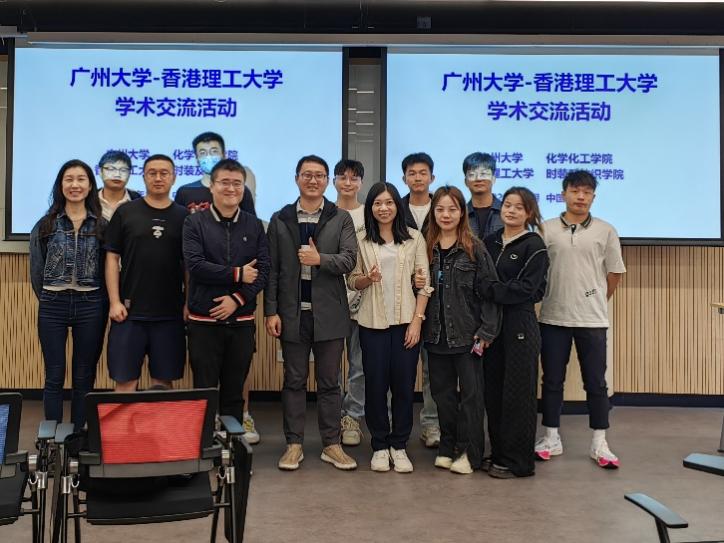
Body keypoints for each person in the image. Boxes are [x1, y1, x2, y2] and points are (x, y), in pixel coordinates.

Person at [265, 155, 358, 471]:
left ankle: (332, 444)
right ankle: (293, 445)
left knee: (330, 382)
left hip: (329, 315)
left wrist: (321, 260)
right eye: (307, 174)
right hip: (292, 315)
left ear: (327, 181)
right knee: (294, 381)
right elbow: (272, 270)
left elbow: (349, 260)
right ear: (297, 179)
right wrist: (271, 311)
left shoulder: (340, 218)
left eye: (319, 175)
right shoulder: (280, 218)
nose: (313, 180)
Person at [174, 131, 261, 444]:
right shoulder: (193, 222)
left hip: (241, 319)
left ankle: (234, 446)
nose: (231, 188)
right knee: (204, 386)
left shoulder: (253, 224)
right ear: (211, 186)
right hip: (203, 318)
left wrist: (237, 298)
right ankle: (204, 445)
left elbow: (261, 270)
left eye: (237, 183)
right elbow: (195, 265)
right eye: (224, 182)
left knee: (235, 388)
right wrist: (237, 274)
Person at [535, 170, 626, 469]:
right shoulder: (545, 229)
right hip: (553, 317)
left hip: (592, 320)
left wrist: (595, 298)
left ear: (593, 197)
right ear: (564, 194)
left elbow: (614, 273)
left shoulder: (606, 230)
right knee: (552, 381)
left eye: (587, 192)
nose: (581, 197)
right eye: (575, 191)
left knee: (597, 383)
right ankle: (551, 437)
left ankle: (600, 441)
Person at [348, 182, 432, 473]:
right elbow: (352, 280)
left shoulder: (414, 238)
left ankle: (399, 445)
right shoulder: (361, 239)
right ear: (370, 208)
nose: (383, 208)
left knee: (404, 387)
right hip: (372, 324)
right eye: (377, 203)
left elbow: (424, 284)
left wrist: (417, 321)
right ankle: (380, 446)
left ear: (398, 205)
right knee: (375, 386)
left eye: (389, 203)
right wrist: (367, 279)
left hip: (406, 323)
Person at [423, 185, 500, 474]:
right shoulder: (425, 247)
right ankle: (447, 447)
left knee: (471, 397)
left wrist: (487, 331)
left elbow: (490, 293)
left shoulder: (474, 248)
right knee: (442, 397)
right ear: (433, 213)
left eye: (452, 209)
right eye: (440, 209)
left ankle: (470, 453)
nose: (446, 215)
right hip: (436, 336)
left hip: (469, 336)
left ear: (462, 212)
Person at [29, 159, 108, 430]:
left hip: (91, 304)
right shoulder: (46, 224)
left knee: (84, 376)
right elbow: (36, 270)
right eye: (69, 179)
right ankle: (52, 438)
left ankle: (77, 437)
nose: (75, 185)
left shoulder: (102, 225)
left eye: (81, 179)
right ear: (60, 185)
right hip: (53, 305)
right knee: (54, 375)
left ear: (90, 185)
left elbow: (108, 269)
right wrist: (49, 297)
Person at [480, 186, 549, 479]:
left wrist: (492, 290)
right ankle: (498, 453)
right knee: (494, 392)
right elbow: (479, 280)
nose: (511, 211)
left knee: (518, 395)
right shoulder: (490, 242)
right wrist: (492, 290)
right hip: (491, 325)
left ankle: (518, 462)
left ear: (529, 213)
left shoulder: (535, 245)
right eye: (507, 205)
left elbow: (529, 290)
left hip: (520, 325)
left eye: (519, 207)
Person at [105, 154, 188, 392]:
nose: (158, 178)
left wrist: (188, 303)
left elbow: (189, 265)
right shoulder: (125, 212)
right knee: (125, 380)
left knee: (163, 382)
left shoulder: (184, 217)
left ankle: (158, 421)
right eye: (152, 173)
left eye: (164, 173)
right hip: (128, 313)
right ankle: (124, 421)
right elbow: (112, 258)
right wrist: (114, 302)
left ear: (174, 177)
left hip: (169, 314)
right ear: (143, 177)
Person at [399, 152, 440, 448]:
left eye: (422, 173)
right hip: (400, 298)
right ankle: (394, 425)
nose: (417, 178)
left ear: (431, 177)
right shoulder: (395, 208)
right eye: (412, 173)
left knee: (432, 368)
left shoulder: (444, 207)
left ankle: (432, 425)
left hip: (438, 300)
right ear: (404, 178)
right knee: (398, 367)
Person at [333, 159, 367, 447]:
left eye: (353, 178)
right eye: (342, 177)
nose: (347, 182)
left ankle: (353, 418)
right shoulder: (325, 213)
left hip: (363, 299)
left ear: (361, 183)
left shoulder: (370, 214)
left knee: (359, 365)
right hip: (330, 301)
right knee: (330, 367)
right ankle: (332, 418)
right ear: (334, 181)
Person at [174, 131, 256, 216]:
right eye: (203, 153)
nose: (209, 157)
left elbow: (251, 222)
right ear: (197, 159)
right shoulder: (185, 191)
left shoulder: (238, 190)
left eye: (214, 152)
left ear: (223, 155)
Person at [462, 152, 503, 239]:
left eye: (483, 174)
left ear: (493, 179)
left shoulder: (506, 211)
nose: (478, 179)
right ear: (465, 182)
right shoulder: (460, 214)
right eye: (472, 175)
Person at [97, 150, 141, 221]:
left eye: (123, 170)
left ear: (129, 173)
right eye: (111, 169)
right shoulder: (89, 200)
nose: (117, 175)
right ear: (100, 172)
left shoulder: (138, 201)